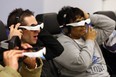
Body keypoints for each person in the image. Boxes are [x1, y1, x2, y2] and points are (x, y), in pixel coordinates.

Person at [54, 6, 115, 77]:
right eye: (78, 23)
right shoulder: (61, 43)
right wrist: (89, 40)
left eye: (84, 21)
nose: (83, 26)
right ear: (66, 28)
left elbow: (110, 25)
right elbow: (82, 64)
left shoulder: (87, 35)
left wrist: (89, 17)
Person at [6, 8, 64, 77]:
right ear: (18, 30)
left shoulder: (36, 48)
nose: (38, 31)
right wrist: (13, 40)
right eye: (32, 28)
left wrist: (37, 27)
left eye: (38, 26)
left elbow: (57, 49)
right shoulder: (7, 56)